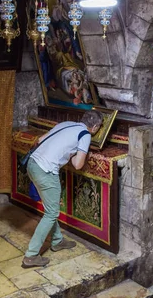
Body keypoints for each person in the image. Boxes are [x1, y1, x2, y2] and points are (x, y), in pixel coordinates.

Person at [22, 110, 104, 268]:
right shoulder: (85, 135)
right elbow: (78, 165)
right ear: (95, 127)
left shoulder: (66, 124)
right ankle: (31, 256)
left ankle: (57, 241)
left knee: (49, 208)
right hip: (45, 171)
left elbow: (39, 140)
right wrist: (74, 153)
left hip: (32, 164)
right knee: (52, 213)